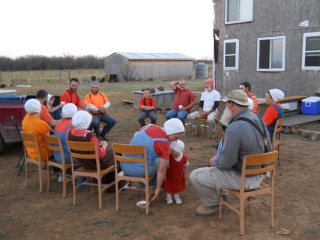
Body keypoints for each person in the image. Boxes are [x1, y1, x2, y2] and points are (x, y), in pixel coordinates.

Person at [190, 89, 272, 216]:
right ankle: (223, 195)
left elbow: (225, 164)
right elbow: (269, 148)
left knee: (196, 175)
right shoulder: (258, 119)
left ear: (231, 104)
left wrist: (215, 160)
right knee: (221, 165)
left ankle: (214, 204)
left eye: (227, 103)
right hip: (262, 173)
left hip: (245, 178)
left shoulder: (234, 127)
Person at [120, 118, 185, 201]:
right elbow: (161, 170)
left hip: (124, 165)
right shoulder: (164, 144)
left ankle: (145, 182)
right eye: (176, 137)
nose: (176, 140)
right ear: (170, 132)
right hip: (141, 170)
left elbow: (139, 134)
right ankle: (153, 185)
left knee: (151, 157)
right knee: (164, 161)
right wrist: (158, 188)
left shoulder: (149, 126)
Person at [67, 111, 116, 184]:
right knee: (114, 150)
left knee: (110, 150)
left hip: (84, 162)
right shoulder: (90, 136)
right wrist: (104, 146)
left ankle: (108, 181)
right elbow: (100, 155)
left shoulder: (69, 133)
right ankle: (113, 183)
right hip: (96, 164)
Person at [163, 140, 189, 205]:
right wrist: (164, 174)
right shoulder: (169, 157)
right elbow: (165, 166)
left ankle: (176, 196)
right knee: (168, 184)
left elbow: (186, 165)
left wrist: (185, 173)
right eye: (172, 153)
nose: (174, 155)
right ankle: (168, 197)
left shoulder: (184, 157)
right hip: (170, 174)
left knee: (177, 184)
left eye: (176, 154)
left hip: (179, 175)